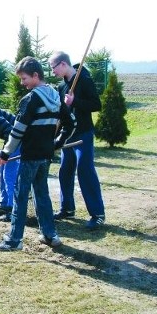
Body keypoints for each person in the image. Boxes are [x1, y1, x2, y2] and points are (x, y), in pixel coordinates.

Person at [0, 56, 75, 252]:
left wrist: (5, 152)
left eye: (24, 78)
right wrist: (56, 144)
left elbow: (18, 131)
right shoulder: (56, 96)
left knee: (20, 195)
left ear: (36, 75)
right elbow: (71, 123)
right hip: (45, 156)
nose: (22, 83)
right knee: (41, 193)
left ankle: (14, 240)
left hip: (29, 157)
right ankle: (50, 235)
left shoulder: (30, 100)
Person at [49, 51, 106, 229]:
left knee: (85, 170)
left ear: (63, 64)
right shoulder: (61, 88)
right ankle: (67, 209)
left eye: (53, 67)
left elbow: (97, 105)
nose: (53, 72)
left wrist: (75, 102)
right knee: (65, 171)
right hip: (68, 136)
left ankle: (97, 214)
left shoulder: (84, 80)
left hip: (83, 134)